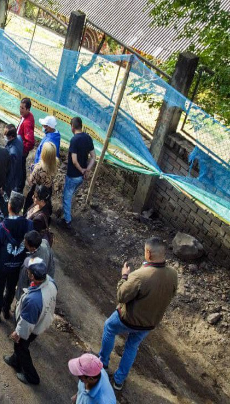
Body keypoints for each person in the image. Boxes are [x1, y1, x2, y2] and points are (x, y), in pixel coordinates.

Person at [98, 237, 178, 390]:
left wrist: (124, 276)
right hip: (149, 323)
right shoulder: (173, 274)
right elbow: (171, 294)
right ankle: (119, 381)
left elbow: (121, 295)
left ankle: (102, 363)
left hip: (128, 319)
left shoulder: (140, 275)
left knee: (109, 327)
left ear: (148, 253)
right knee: (132, 346)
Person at [3, 257, 58, 386]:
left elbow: (26, 324)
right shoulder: (51, 282)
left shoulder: (34, 300)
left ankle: (32, 377)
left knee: (21, 346)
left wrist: (18, 333)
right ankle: (15, 361)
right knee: (21, 346)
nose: (26, 271)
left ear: (32, 276)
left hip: (32, 326)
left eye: (28, 271)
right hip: (41, 321)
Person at [0, 192, 33, 323]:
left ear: (9, 206)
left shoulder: (2, 227)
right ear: (21, 208)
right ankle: (6, 310)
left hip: (1, 265)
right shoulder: (28, 225)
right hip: (18, 264)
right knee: (12, 287)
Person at [61, 117, 96, 230]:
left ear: (72, 127)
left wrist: (81, 170)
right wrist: (87, 170)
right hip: (81, 177)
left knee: (66, 197)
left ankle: (67, 221)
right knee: (70, 194)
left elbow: (74, 161)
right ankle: (66, 214)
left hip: (73, 175)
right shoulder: (88, 138)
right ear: (81, 126)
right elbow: (93, 156)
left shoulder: (74, 140)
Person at [16, 230, 55, 302]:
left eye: (25, 243)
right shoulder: (44, 243)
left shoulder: (31, 265)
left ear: (32, 248)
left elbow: (25, 283)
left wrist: (20, 298)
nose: (23, 243)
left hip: (28, 294)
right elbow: (52, 266)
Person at [23, 141, 58, 215]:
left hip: (37, 191)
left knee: (30, 209)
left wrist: (32, 170)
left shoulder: (39, 167)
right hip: (48, 190)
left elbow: (31, 181)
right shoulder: (56, 163)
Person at [1, 124, 23, 218]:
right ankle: (2, 212)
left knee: (5, 198)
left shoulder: (12, 152)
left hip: (10, 181)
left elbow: (11, 172)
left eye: (6, 136)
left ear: (11, 136)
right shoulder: (19, 138)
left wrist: (4, 186)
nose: (4, 137)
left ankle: (4, 216)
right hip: (16, 175)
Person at [16, 98, 35, 192]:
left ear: (28, 109)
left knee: (20, 168)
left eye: (22, 108)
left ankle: (19, 187)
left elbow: (30, 142)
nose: (20, 110)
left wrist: (21, 150)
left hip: (21, 151)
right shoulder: (25, 116)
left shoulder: (27, 122)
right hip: (19, 148)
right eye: (20, 107)